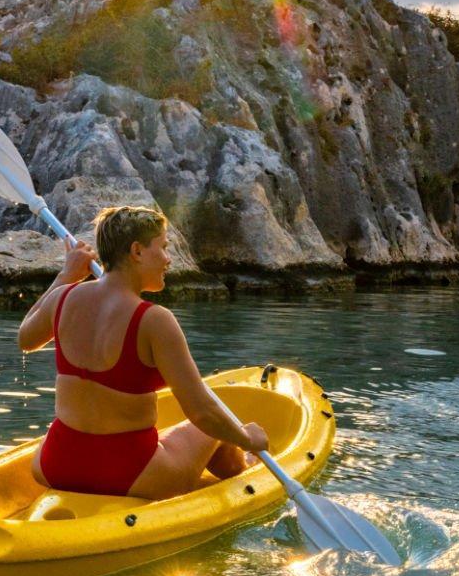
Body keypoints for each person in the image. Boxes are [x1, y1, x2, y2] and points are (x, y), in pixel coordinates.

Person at [19, 204, 270, 500]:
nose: (168, 259)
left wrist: (65, 275)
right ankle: (246, 469)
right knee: (219, 426)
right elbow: (202, 411)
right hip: (128, 475)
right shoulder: (154, 320)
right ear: (137, 251)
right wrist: (246, 438)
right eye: (163, 248)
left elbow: (26, 338)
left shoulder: (62, 298)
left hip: (56, 465)